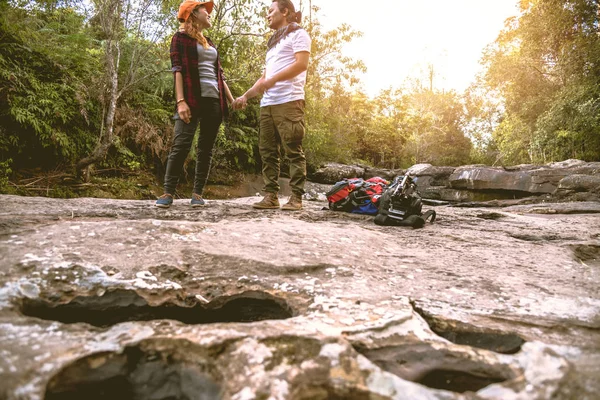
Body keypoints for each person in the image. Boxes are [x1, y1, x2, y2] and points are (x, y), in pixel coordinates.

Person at [233, 0, 311, 211]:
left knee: (293, 150)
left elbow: (302, 64)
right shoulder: (273, 43)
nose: (267, 15)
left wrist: (274, 80)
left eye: (270, 11)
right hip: (267, 104)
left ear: (285, 12)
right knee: (267, 152)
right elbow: (264, 77)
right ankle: (271, 196)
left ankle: (296, 198)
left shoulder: (299, 34)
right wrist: (246, 96)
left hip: (289, 101)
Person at [156, 0, 234, 208]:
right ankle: (168, 192)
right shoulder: (179, 39)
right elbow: (178, 70)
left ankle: (197, 194)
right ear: (193, 14)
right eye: (204, 10)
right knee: (181, 145)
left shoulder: (209, 42)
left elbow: (220, 75)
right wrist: (181, 101)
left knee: (205, 148)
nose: (208, 14)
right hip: (191, 97)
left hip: (214, 99)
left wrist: (232, 100)